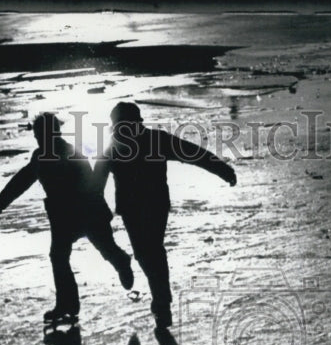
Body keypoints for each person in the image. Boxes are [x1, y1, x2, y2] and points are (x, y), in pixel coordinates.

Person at [93, 102, 237, 330]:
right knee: (145, 253)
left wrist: (223, 169)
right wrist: (96, 208)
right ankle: (161, 300)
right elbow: (96, 184)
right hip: (137, 208)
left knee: (152, 251)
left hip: (152, 205)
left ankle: (162, 303)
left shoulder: (154, 140)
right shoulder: (118, 147)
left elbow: (192, 153)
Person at [0, 112, 134, 323]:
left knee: (104, 247)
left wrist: (98, 210)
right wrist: (2, 200)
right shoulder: (40, 157)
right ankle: (67, 304)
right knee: (58, 258)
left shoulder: (70, 153)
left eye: (40, 134)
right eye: (37, 135)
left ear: (52, 133)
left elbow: (93, 183)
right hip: (63, 217)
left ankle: (120, 262)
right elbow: (23, 179)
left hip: (87, 211)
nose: (38, 139)